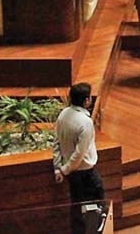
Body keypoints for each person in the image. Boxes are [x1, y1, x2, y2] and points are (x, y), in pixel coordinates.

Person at [53, 82, 104, 234]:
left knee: (76, 206)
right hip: (84, 173)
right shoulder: (85, 122)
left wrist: (58, 168)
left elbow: (56, 143)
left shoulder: (63, 114)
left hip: (72, 173)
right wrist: (64, 169)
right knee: (95, 205)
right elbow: (79, 154)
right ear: (86, 101)